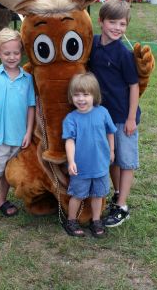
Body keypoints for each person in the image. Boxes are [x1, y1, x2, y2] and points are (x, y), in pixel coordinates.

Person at [89, 0, 140, 228]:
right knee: (111, 159)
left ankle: (122, 206)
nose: (117, 28)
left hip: (122, 117)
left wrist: (130, 118)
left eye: (122, 24)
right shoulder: (93, 45)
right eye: (112, 22)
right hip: (101, 116)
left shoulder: (124, 54)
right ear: (100, 21)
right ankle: (117, 193)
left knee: (126, 161)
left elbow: (133, 86)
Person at [0, 27, 36, 230]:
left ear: (22, 52)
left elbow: (31, 107)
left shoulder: (27, 79)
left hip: (19, 137)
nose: (12, 57)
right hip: (0, 138)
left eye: (16, 53)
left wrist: (28, 132)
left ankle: (2, 200)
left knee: (8, 174)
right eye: (7, 53)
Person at [62, 72, 116, 237]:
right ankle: (71, 221)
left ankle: (96, 221)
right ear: (71, 96)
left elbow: (110, 132)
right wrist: (71, 161)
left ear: (95, 95)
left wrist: (112, 151)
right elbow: (69, 141)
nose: (81, 99)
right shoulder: (71, 118)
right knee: (77, 195)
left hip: (100, 165)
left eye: (86, 94)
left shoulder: (103, 113)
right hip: (81, 167)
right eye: (76, 94)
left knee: (98, 195)